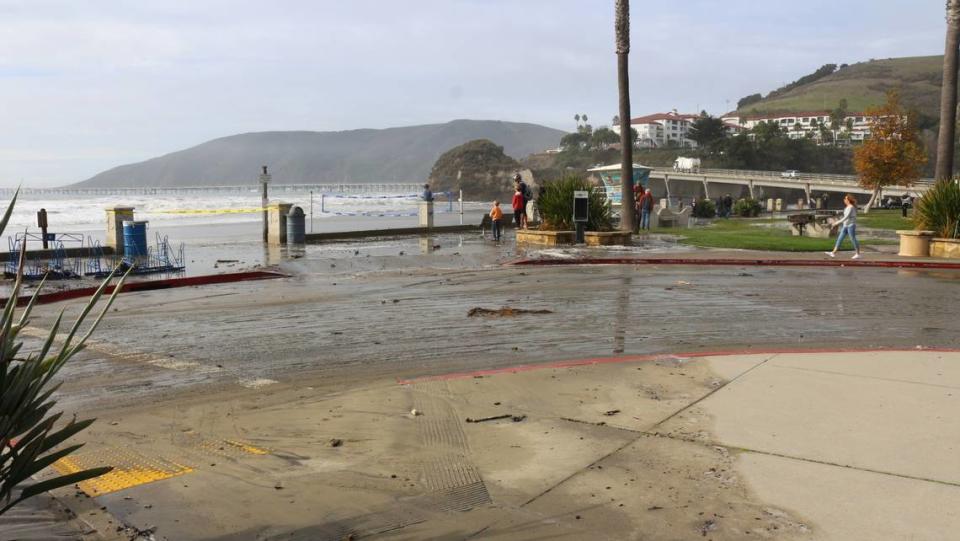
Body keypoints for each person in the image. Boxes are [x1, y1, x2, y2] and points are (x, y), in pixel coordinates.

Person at [826, 194, 861, 260]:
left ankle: (858, 254)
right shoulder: (848, 207)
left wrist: (836, 223)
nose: (844, 200)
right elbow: (845, 217)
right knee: (840, 239)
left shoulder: (850, 207)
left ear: (848, 200)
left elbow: (845, 217)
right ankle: (833, 252)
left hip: (850, 226)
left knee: (853, 239)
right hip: (845, 226)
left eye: (845, 199)